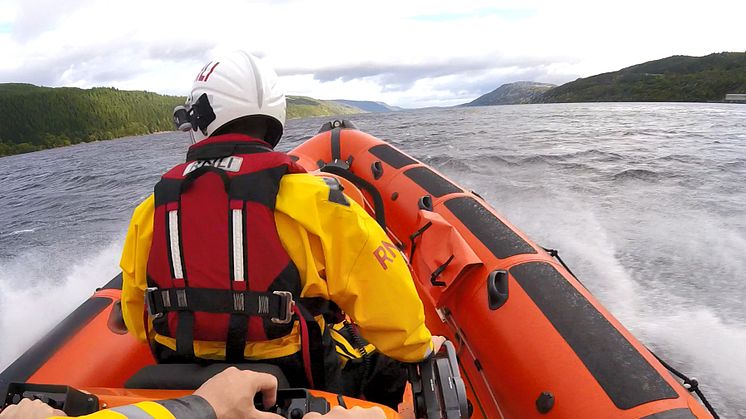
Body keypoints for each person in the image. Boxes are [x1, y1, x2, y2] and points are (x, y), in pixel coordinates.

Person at [119, 50, 444, 400]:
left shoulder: (152, 211)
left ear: (201, 118)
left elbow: (138, 319)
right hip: (297, 386)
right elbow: (387, 296)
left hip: (185, 387)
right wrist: (418, 347)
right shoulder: (315, 200)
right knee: (384, 361)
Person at [0, 367, 387, 419]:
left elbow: (130, 319)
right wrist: (205, 407)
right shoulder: (311, 197)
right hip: (280, 369)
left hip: (169, 367)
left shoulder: (151, 211)